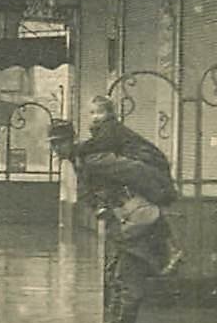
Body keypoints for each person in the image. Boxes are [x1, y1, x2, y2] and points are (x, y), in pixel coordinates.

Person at [51, 113, 171, 323]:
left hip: (132, 218)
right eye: (53, 144)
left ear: (71, 140)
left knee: (128, 271)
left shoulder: (94, 160)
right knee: (116, 271)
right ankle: (117, 322)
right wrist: (100, 207)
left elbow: (137, 171)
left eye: (59, 143)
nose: (56, 149)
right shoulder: (80, 162)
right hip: (119, 220)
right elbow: (89, 193)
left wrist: (153, 197)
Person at [72, 95, 185, 273]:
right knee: (147, 210)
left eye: (100, 112)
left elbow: (99, 145)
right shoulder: (104, 130)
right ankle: (170, 250)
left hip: (147, 162)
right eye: (92, 113)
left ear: (110, 113)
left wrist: (77, 149)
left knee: (143, 211)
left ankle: (162, 253)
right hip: (144, 165)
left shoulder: (110, 128)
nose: (95, 116)